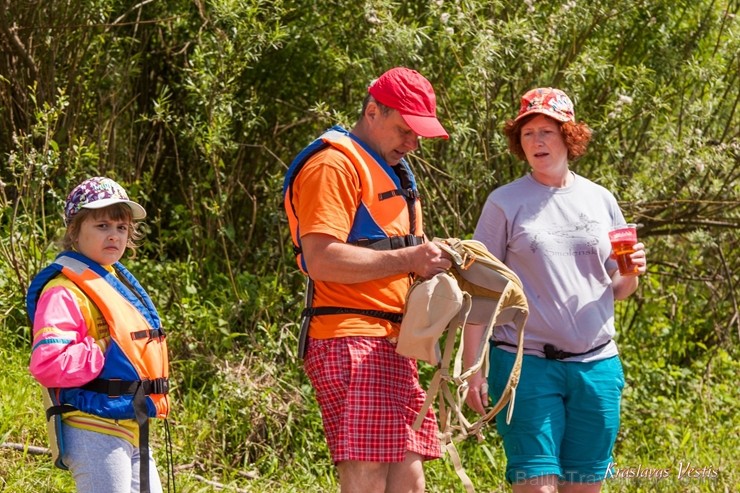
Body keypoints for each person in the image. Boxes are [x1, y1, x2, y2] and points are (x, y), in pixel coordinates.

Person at [464, 87, 647, 493]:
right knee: (537, 486)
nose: (537, 142)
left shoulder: (600, 199)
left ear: (570, 136)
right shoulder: (504, 203)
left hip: (597, 366)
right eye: (527, 134)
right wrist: (473, 366)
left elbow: (618, 288)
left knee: (584, 487)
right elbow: (480, 288)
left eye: (546, 131)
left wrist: (632, 272)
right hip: (524, 365)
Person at [282, 67, 452, 493]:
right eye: (404, 130)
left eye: (419, 135)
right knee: (368, 475)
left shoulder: (390, 167)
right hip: (350, 338)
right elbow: (321, 259)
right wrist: (411, 257)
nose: (412, 143)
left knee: (410, 481)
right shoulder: (333, 165)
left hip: (395, 343)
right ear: (372, 111)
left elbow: (390, 249)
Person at [26, 177, 170, 493]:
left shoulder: (112, 283)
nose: (114, 235)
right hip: (92, 425)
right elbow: (48, 364)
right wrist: (104, 346)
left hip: (130, 424)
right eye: (102, 225)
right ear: (75, 232)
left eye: (121, 228)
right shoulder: (64, 292)